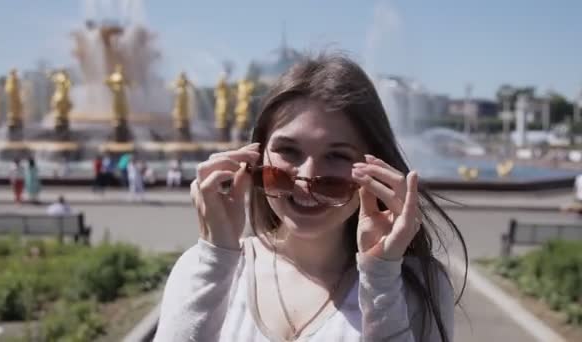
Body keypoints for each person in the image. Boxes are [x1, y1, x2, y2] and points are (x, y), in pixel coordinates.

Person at [154, 53, 467, 341]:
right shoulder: (203, 267)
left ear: (375, 165)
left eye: (337, 155)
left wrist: (381, 277)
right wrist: (216, 256)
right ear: (256, 155)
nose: (306, 177)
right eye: (288, 150)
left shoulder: (416, 283)